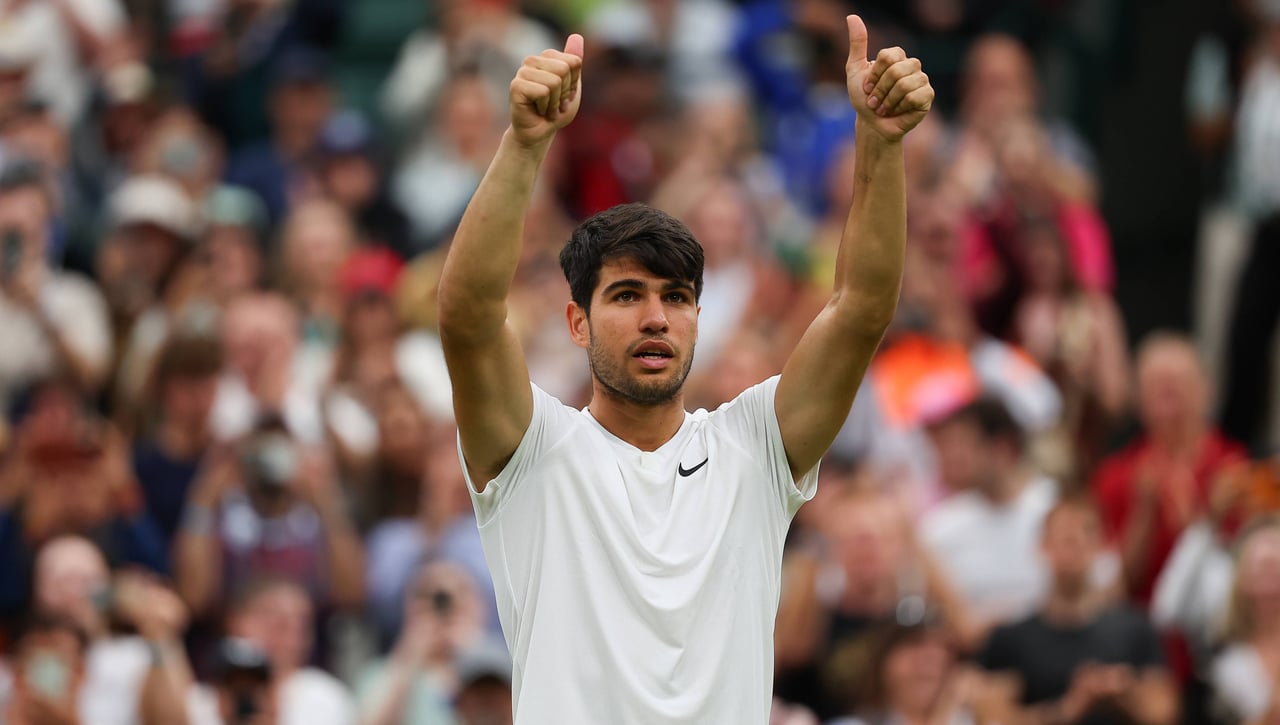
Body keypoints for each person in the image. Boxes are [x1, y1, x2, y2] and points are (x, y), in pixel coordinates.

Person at [435, 18, 933, 723]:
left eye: (676, 298)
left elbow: (860, 309)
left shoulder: (754, 446)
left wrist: (881, 142)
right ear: (576, 322)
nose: (656, 318)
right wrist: (523, 143)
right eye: (627, 295)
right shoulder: (532, 450)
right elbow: (467, 317)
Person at [979, 498, 1179, 725]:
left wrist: (1123, 692)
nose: (1073, 541)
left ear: (1100, 546)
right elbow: (993, 719)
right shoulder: (1010, 638)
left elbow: (1165, 713)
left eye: (1085, 532)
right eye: (1063, 535)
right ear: (1042, 547)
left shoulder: (1136, 628)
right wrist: (1069, 708)